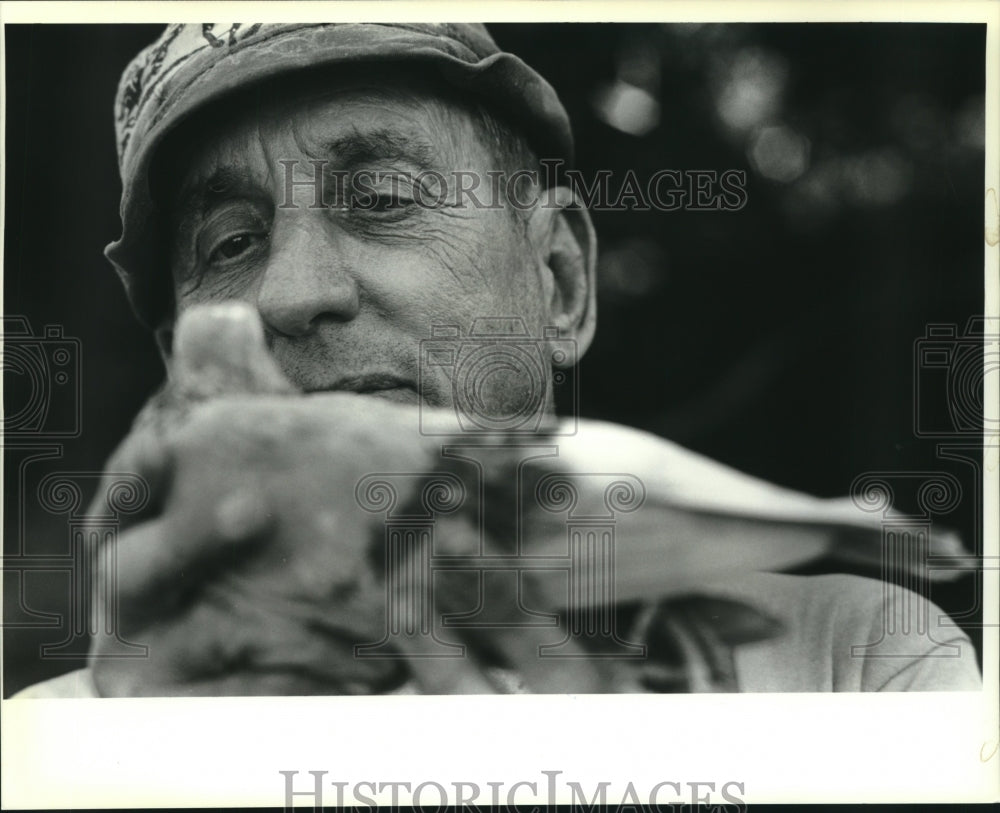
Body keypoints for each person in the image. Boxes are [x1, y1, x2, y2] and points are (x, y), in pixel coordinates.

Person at [14, 22, 981, 697]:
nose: (289, 292)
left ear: (559, 282)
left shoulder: (863, 664)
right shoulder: (56, 740)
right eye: (228, 244)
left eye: (385, 195)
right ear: (184, 368)